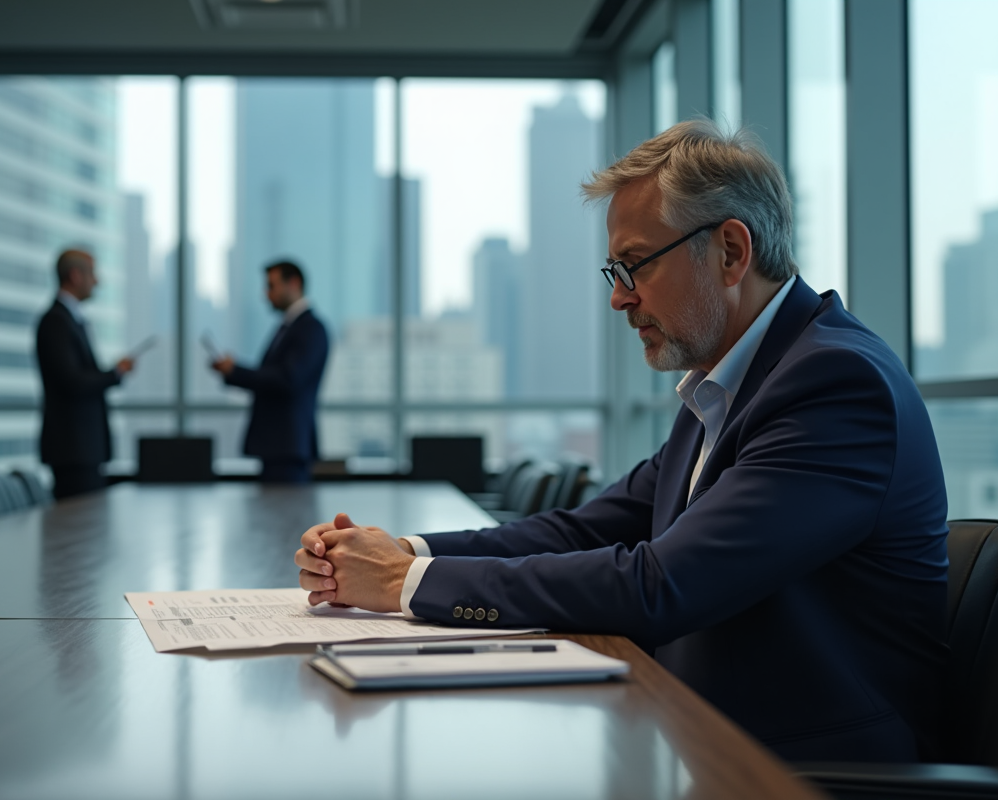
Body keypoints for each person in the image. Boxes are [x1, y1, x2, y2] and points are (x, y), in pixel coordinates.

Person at [294, 120, 950, 762]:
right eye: (616, 271)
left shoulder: (834, 385)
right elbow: (586, 532)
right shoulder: (725, 383)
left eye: (635, 265)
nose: (620, 299)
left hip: (797, 768)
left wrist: (407, 582)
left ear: (730, 251)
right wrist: (401, 552)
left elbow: (662, 586)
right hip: (695, 734)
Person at [210, 261, 329, 483]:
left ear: (293, 283)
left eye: (271, 286)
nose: (266, 294)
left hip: (289, 446)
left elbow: (288, 379)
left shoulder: (310, 329)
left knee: (288, 513)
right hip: (278, 447)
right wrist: (232, 372)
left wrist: (235, 371)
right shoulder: (288, 327)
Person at [36, 249, 134, 500]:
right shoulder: (56, 321)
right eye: (93, 274)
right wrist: (114, 374)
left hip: (81, 448)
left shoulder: (70, 319)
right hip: (72, 448)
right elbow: (71, 381)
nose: (97, 281)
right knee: (75, 528)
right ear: (76, 275)